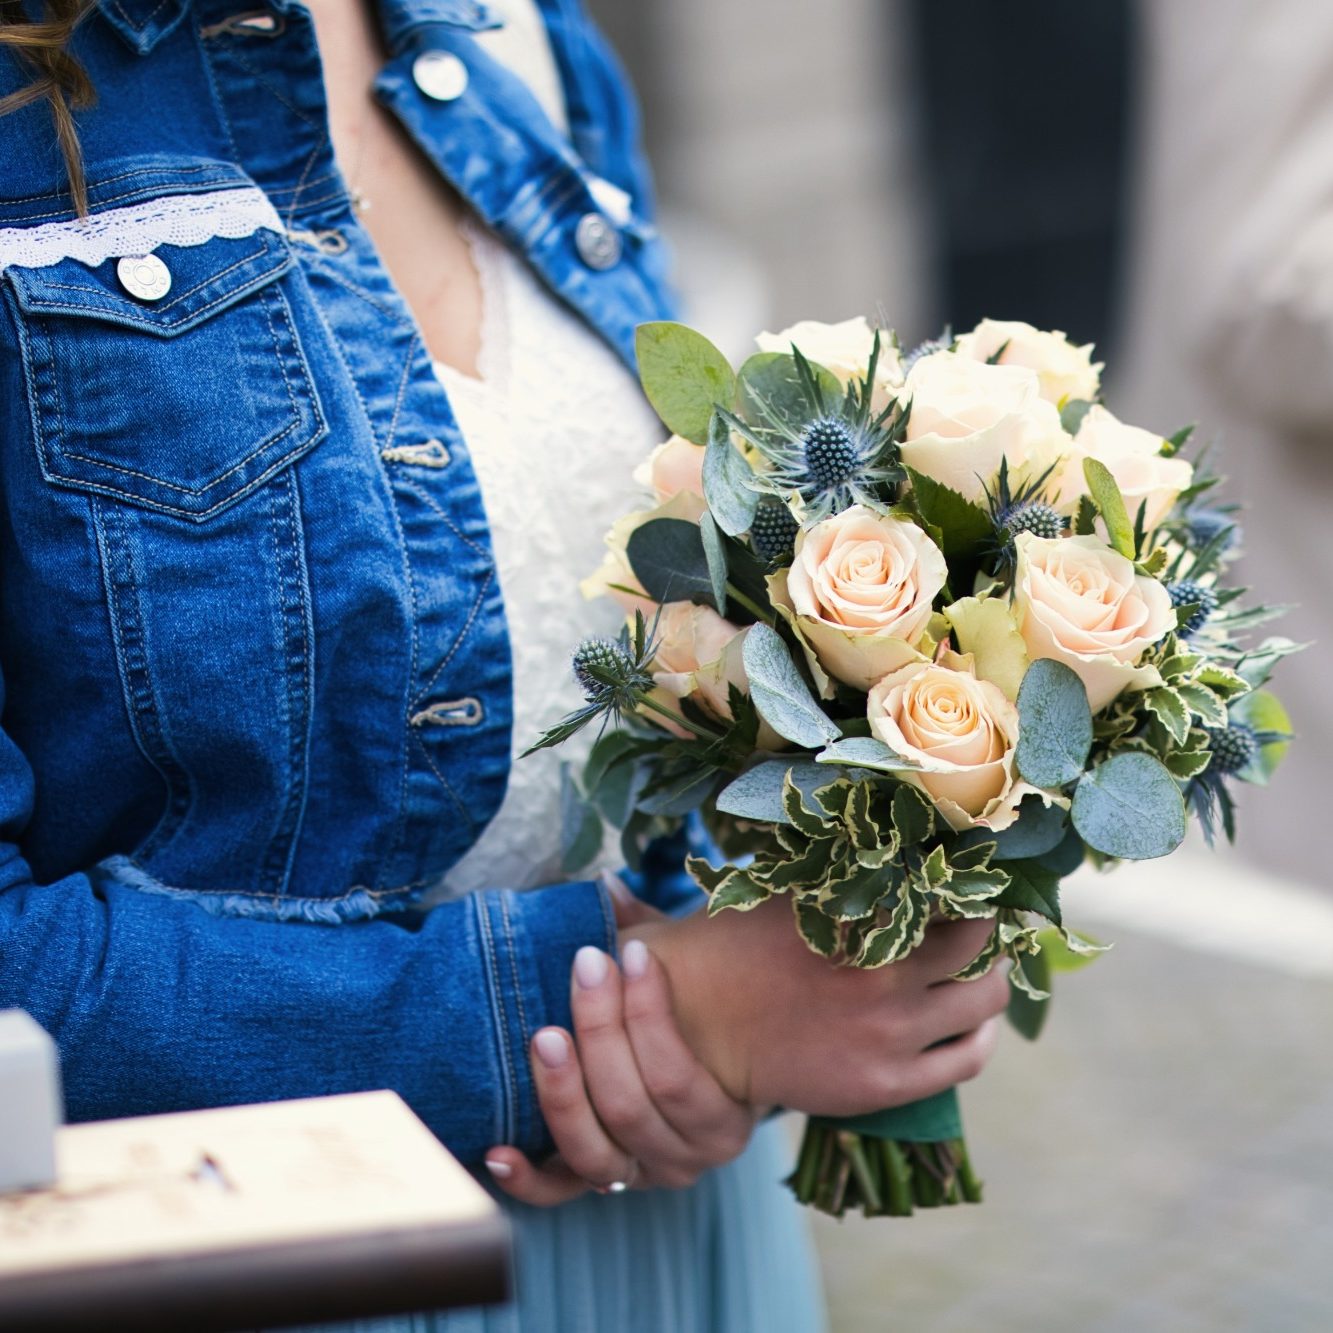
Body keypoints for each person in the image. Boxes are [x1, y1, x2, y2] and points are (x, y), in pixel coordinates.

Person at [0, 2, 1008, 1329]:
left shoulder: (504, 31)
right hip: (250, 1261)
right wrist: (629, 1010)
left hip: (671, 1222)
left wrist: (804, 919)